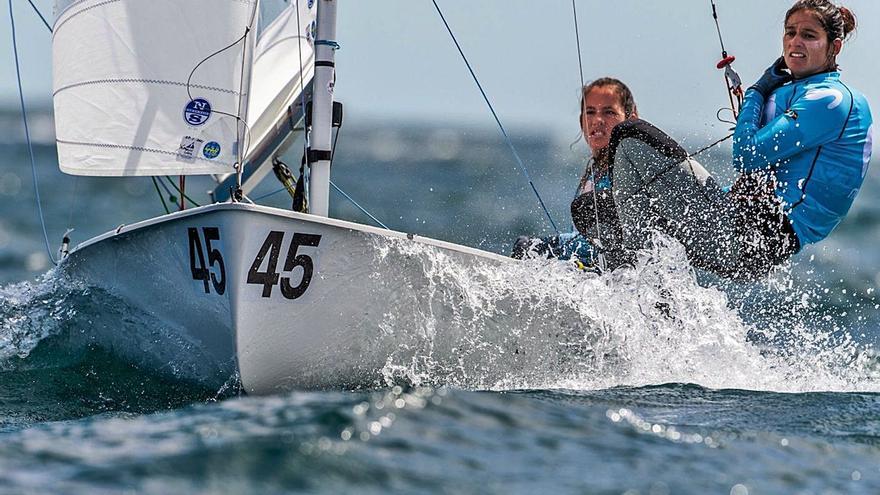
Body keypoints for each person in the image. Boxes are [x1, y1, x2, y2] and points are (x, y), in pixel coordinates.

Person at [593, 0, 872, 279]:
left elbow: (746, 156)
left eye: (809, 35)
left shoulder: (831, 100)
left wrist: (756, 91)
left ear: (834, 47)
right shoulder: (795, 90)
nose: (795, 42)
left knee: (630, 134)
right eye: (790, 32)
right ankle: (628, 276)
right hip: (735, 222)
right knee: (596, 210)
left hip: (751, 238)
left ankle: (632, 275)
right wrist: (763, 93)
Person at [511, 77, 642, 270]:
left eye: (609, 112)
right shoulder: (595, 171)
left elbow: (617, 241)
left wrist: (546, 248)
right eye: (590, 112)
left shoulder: (628, 170)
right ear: (582, 121)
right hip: (593, 273)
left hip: (624, 280)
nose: (597, 120)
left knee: (526, 247)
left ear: (630, 119)